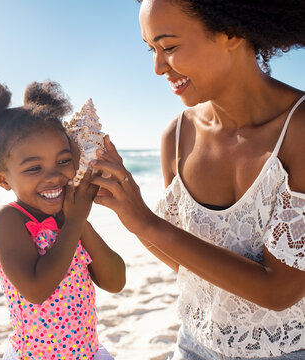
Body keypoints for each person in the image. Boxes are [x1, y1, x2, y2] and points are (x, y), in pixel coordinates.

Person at [89, 0, 305, 359]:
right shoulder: (176, 137)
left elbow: (281, 291)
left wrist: (146, 221)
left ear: (231, 31)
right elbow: (183, 264)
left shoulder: (299, 130)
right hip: (193, 344)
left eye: (169, 47)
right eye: (151, 50)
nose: (158, 67)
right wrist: (126, 208)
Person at [0, 80, 125, 360]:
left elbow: (115, 281)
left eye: (63, 161)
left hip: (87, 353)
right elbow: (36, 290)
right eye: (34, 168)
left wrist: (81, 224)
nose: (52, 176)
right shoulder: (8, 220)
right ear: (3, 179)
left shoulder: (73, 217)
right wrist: (74, 224)